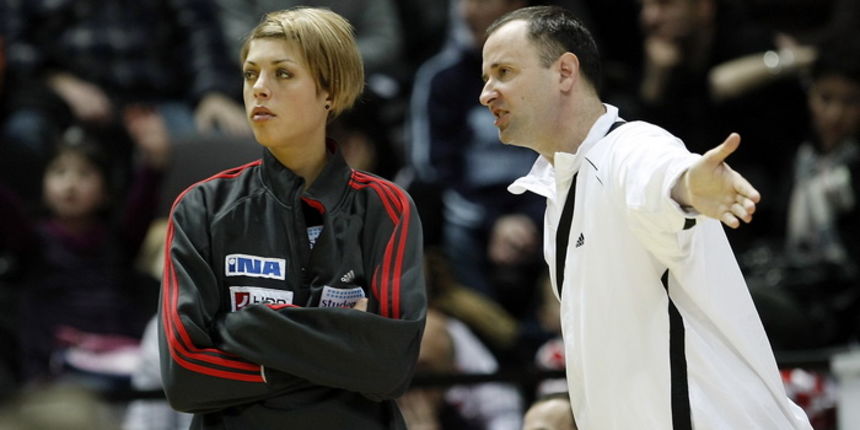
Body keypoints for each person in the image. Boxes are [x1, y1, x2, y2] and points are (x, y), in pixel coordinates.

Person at [479, 6, 812, 429]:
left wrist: (690, 185)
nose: (487, 93)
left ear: (565, 72)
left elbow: (659, 175)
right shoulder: (558, 189)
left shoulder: (629, 148)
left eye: (504, 72)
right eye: (486, 78)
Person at [158, 8, 426, 429]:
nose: (259, 89)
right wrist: (339, 355)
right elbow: (185, 376)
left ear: (330, 93)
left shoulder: (386, 207)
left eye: (282, 74)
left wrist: (241, 327)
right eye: (250, 74)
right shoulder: (201, 207)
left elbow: (389, 368)